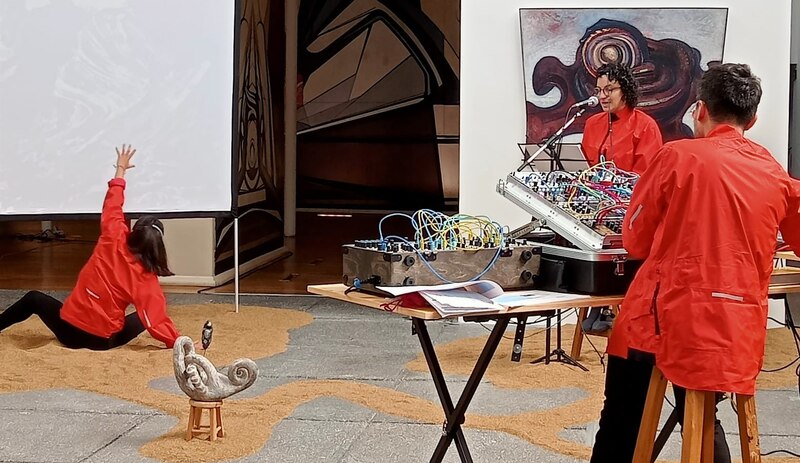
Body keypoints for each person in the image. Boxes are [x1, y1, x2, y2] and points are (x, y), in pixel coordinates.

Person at [590, 63, 800, 462]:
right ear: (752, 120)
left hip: (662, 322)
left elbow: (635, 241)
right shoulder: (776, 174)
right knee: (702, 414)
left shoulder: (675, 157)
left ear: (699, 110)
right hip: (731, 332)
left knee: (619, 418)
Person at [0, 145, 181, 350]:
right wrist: (176, 341)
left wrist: (120, 169)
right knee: (147, 315)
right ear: (157, 247)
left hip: (69, 332)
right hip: (101, 342)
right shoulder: (146, 279)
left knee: (34, 298)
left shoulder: (113, 235)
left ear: (134, 231)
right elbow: (155, 320)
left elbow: (113, 204)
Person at [581, 63, 663, 174]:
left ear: (625, 91)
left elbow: (645, 177)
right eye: (599, 90)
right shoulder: (592, 124)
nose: (602, 96)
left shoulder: (646, 126)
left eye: (609, 90)